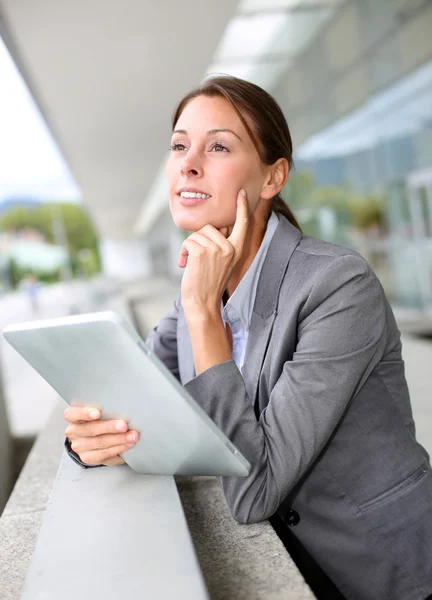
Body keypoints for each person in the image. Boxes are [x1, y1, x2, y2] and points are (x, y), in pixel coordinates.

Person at [63, 76, 432, 600]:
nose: (189, 163)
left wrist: (203, 315)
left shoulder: (338, 285)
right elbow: (133, 398)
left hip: (386, 570)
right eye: (179, 145)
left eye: (217, 146)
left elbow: (253, 490)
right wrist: (90, 439)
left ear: (271, 177)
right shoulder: (193, 293)